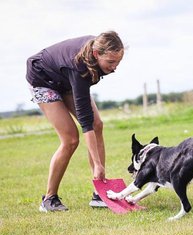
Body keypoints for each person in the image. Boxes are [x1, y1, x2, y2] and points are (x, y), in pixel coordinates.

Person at [26, 31, 124, 212]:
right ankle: (49, 199)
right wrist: (98, 165)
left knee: (98, 125)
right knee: (71, 139)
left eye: (117, 62)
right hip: (43, 79)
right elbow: (85, 122)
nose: (114, 67)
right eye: (110, 62)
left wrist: (98, 166)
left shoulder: (97, 49)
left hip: (65, 81)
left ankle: (99, 193)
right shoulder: (79, 68)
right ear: (96, 54)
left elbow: (92, 124)